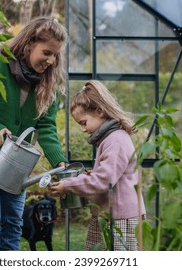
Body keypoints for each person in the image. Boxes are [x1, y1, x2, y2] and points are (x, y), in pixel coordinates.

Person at [0, 17, 68, 251]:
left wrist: (59, 161)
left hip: (18, 166)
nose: (51, 61)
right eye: (47, 52)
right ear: (29, 43)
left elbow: (47, 127)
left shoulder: (48, 83)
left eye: (55, 55)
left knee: (13, 223)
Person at [49, 80, 146, 251]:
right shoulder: (110, 139)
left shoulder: (115, 140)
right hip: (109, 216)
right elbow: (109, 174)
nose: (83, 129)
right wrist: (88, 175)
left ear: (100, 111)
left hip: (120, 220)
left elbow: (105, 179)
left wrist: (68, 185)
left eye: (83, 122)